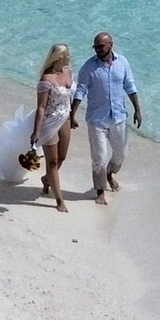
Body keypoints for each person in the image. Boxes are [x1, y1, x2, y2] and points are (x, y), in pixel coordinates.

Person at [74, 31, 141, 206]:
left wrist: (137, 110)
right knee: (99, 157)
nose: (97, 49)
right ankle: (100, 190)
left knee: (120, 154)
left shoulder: (123, 62)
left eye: (101, 46)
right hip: (97, 120)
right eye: (95, 46)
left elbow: (130, 86)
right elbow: (80, 91)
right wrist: (72, 114)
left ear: (111, 45)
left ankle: (109, 174)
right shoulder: (88, 67)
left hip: (119, 117)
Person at [28, 43, 75, 212]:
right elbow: (41, 107)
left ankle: (47, 180)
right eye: (67, 54)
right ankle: (59, 200)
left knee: (62, 157)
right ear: (60, 57)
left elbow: (70, 96)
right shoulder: (46, 80)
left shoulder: (68, 72)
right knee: (53, 161)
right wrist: (36, 131)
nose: (70, 57)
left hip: (65, 117)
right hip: (49, 121)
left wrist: (72, 116)